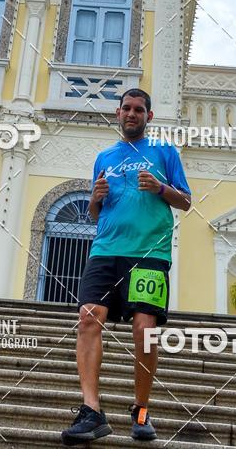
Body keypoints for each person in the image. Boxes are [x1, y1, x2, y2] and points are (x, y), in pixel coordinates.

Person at [62, 89, 191, 445]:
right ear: (117, 114)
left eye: (139, 110)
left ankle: (142, 410)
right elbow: (94, 214)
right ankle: (91, 410)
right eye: (126, 109)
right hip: (105, 250)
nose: (132, 114)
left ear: (149, 117)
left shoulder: (165, 152)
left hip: (150, 252)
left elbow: (186, 202)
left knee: (145, 329)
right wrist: (95, 198)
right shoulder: (105, 157)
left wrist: (160, 187)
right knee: (88, 317)